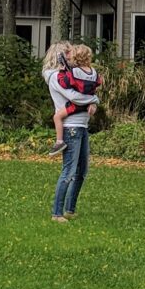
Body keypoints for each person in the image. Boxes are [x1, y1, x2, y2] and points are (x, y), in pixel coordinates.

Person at [47, 43, 101, 221]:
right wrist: (94, 99)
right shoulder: (55, 76)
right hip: (71, 126)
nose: (70, 56)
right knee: (69, 170)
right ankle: (57, 212)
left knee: (82, 170)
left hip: (81, 125)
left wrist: (93, 102)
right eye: (67, 53)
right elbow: (75, 97)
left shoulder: (76, 74)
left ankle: (70, 208)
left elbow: (86, 89)